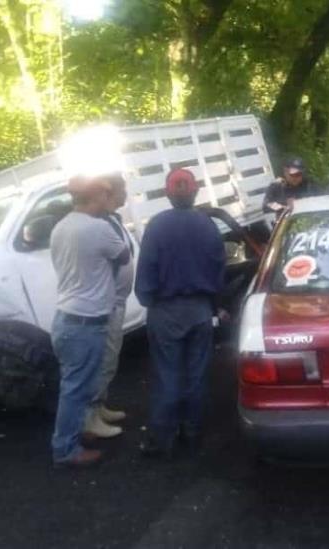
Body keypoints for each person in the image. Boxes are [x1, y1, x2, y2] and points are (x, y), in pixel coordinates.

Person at [135, 168, 227, 459]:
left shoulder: (157, 226)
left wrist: (148, 299)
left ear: (167, 193)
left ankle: (162, 438)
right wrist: (216, 305)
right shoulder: (208, 225)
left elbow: (146, 270)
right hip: (200, 310)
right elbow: (218, 269)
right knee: (197, 373)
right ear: (196, 191)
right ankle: (192, 431)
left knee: (168, 374)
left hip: (165, 310)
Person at [49, 175, 130, 468]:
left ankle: (78, 435)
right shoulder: (97, 228)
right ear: (94, 197)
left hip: (65, 319)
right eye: (103, 196)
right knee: (74, 390)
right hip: (86, 323)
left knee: (74, 386)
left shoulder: (61, 227)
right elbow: (123, 255)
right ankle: (66, 450)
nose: (106, 201)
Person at [83, 174, 135, 439]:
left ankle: (100, 406)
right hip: (108, 301)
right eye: (123, 188)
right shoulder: (100, 223)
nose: (126, 193)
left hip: (118, 299)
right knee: (103, 359)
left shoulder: (113, 219)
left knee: (110, 358)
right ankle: (90, 417)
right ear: (111, 192)